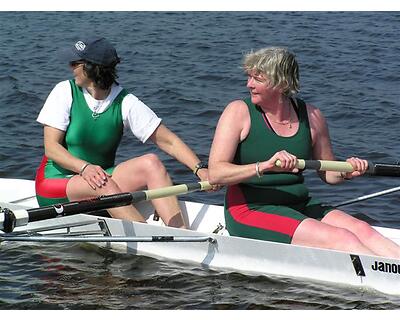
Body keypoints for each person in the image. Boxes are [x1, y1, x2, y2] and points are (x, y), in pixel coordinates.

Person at [208, 47, 400, 258]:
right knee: (344, 239)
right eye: (249, 77)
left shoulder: (312, 116)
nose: (249, 84)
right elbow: (216, 173)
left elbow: (328, 174)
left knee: (364, 230)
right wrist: (264, 166)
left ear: (281, 83)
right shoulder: (237, 112)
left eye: (257, 79)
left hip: (298, 205)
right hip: (250, 209)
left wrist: (347, 171)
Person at [35, 37, 211, 228]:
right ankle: (151, 239)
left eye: (75, 63)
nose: (70, 67)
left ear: (92, 68)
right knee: (104, 183)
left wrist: (200, 169)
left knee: (152, 163)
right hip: (55, 183)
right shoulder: (64, 91)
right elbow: (51, 148)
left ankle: (181, 232)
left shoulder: (125, 102)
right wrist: (85, 167)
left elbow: (169, 142)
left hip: (99, 180)